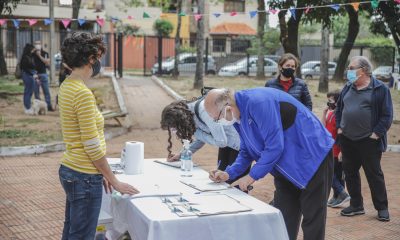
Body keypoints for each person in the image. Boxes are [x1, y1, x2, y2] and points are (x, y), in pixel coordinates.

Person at [204, 88, 334, 240]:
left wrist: (251, 177)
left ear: (227, 108)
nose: (218, 122)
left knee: (313, 220)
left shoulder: (258, 102)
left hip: (313, 158)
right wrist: (229, 173)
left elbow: (274, 146)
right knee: (283, 219)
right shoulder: (236, 116)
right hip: (285, 167)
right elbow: (247, 150)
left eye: (216, 118)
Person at [58, 32, 139, 239]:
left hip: (72, 170)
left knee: (72, 232)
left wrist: (101, 172)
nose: (99, 63)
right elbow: (92, 145)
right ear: (90, 59)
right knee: (82, 235)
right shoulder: (82, 93)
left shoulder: (67, 86)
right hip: (83, 175)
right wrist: (113, 179)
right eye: (98, 57)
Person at [336, 56, 393, 221]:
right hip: (347, 138)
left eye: (352, 67)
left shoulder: (380, 89)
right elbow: (340, 108)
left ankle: (382, 208)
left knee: (374, 174)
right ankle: (356, 205)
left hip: (369, 140)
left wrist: (376, 134)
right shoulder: (347, 87)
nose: (349, 70)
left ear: (364, 71)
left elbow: (387, 115)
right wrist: (340, 127)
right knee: (350, 173)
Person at [161, 98, 250, 184]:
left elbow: (221, 142)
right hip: (229, 144)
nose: (174, 132)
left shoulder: (204, 111)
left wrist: (197, 133)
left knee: (233, 179)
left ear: (179, 121)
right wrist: (182, 154)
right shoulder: (190, 114)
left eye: (174, 128)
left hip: (240, 143)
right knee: (220, 176)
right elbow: (202, 137)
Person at [322, 90, 350, 208]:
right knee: (336, 174)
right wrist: (324, 114)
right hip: (330, 148)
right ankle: (336, 196)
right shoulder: (330, 113)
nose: (329, 103)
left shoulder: (340, 116)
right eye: (328, 101)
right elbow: (322, 128)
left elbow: (343, 135)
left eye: (331, 101)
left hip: (336, 149)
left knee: (330, 173)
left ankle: (342, 193)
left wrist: (342, 151)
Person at [32, 40, 54, 111]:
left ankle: (48, 106)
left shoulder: (45, 53)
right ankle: (38, 107)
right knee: (36, 92)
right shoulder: (32, 54)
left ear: (41, 44)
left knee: (46, 91)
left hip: (43, 74)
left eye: (39, 43)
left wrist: (39, 55)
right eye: (36, 43)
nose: (37, 45)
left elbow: (47, 62)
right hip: (35, 75)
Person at [19, 43, 38, 115]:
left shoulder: (31, 56)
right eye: (33, 49)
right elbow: (24, 68)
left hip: (31, 75)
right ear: (30, 49)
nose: (34, 50)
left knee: (30, 91)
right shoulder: (25, 57)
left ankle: (28, 106)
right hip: (27, 75)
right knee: (27, 91)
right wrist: (32, 74)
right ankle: (27, 107)